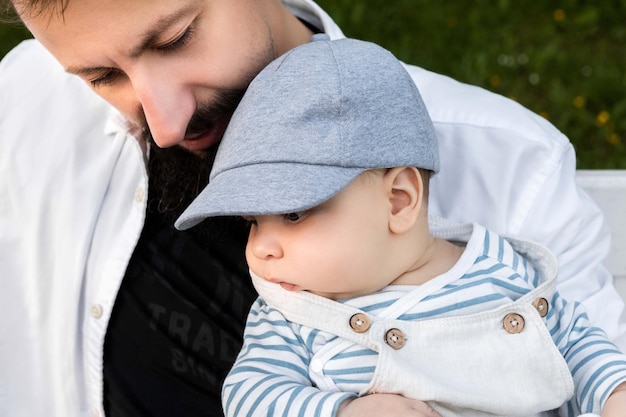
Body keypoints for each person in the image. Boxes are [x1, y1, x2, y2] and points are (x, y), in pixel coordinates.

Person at [0, 1, 623, 416]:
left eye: (176, 38)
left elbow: (579, 353)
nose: (164, 124)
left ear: (401, 198)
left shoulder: (513, 173)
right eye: (101, 75)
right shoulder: (25, 103)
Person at [175, 35, 626, 417]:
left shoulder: (502, 270)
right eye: (253, 221)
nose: (261, 250)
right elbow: (249, 395)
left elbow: (576, 344)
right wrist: (345, 410)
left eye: (293, 213)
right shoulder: (291, 316)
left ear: (398, 201)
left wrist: (613, 394)